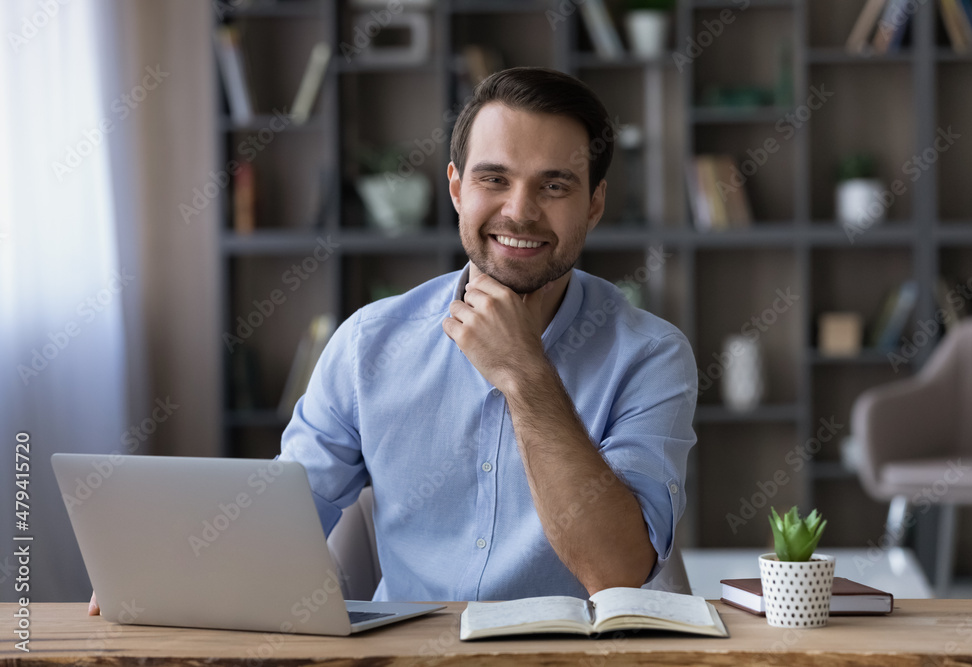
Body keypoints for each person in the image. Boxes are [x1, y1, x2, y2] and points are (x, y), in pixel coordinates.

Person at [89, 66, 695, 615]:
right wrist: (166, 572)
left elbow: (617, 572)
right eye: (494, 178)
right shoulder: (367, 345)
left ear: (593, 205)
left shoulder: (650, 356)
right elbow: (283, 523)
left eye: (555, 186)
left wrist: (525, 375)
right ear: (457, 188)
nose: (520, 211)